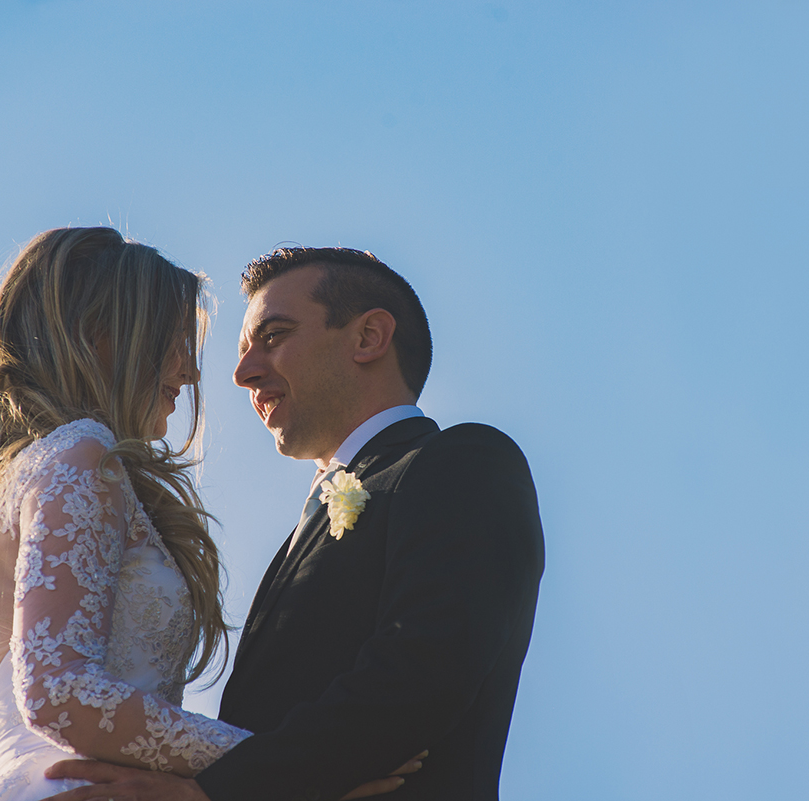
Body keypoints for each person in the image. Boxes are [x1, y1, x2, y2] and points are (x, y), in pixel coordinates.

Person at [0, 230, 405, 801]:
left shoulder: (27, 469)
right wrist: (289, 768)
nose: (190, 371)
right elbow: (59, 690)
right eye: (170, 339)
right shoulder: (80, 453)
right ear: (101, 336)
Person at [45, 247, 545, 800]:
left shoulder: (464, 461)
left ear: (368, 338)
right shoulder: (298, 538)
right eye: (243, 350)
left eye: (274, 336)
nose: (242, 373)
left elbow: (424, 668)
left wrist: (215, 793)